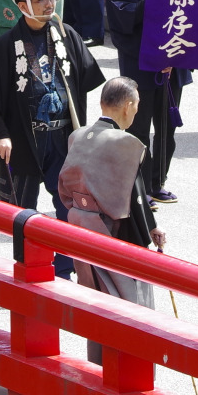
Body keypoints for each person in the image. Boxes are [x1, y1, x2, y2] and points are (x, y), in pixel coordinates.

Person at [0, 0, 104, 255]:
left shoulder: (67, 35)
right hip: (24, 140)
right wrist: (0, 136)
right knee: (22, 213)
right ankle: (26, 268)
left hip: (62, 138)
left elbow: (89, 80)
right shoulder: (6, 46)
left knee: (69, 207)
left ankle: (66, 268)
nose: (49, 4)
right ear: (22, 6)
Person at [58, 77, 163, 361]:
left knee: (95, 303)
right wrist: (149, 232)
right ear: (128, 106)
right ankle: (130, 374)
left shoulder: (77, 136)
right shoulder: (126, 143)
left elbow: (66, 192)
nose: (137, 112)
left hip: (80, 231)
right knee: (128, 309)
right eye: (137, 106)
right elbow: (136, 197)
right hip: (113, 235)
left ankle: (97, 365)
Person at [105, 0, 190, 204]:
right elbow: (122, 23)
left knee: (167, 129)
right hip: (140, 69)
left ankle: (157, 182)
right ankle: (138, 188)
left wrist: (175, 56)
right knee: (139, 130)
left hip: (172, 69)